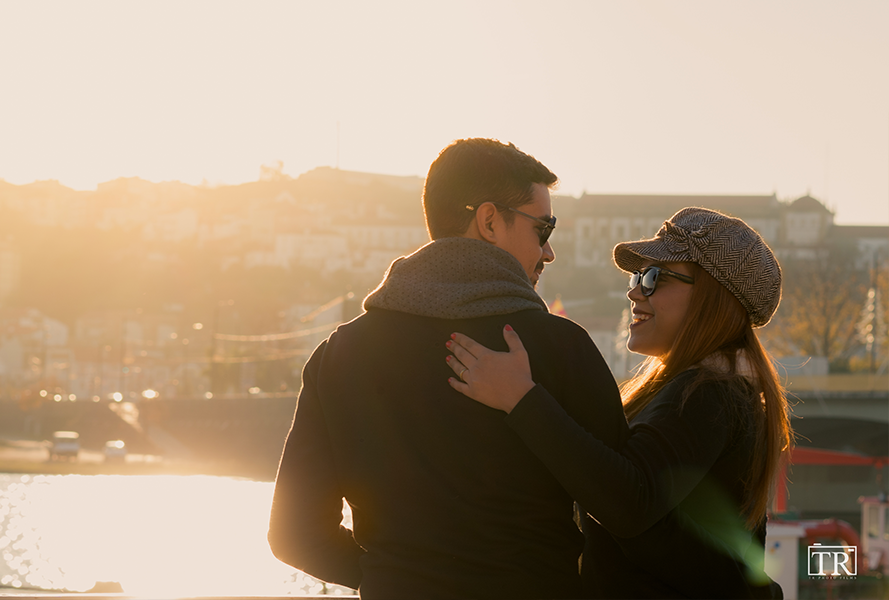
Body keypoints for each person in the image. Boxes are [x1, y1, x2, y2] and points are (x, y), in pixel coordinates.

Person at [268, 138, 630, 599]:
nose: (549, 252)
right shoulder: (562, 347)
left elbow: (293, 533)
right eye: (544, 229)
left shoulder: (340, 354)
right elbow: (622, 514)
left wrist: (392, 575)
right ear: (490, 221)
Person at [445, 207, 793, 599]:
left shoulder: (709, 394)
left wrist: (522, 399)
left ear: (712, 297)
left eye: (652, 277)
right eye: (636, 276)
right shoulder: (720, 390)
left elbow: (629, 500)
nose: (633, 291)